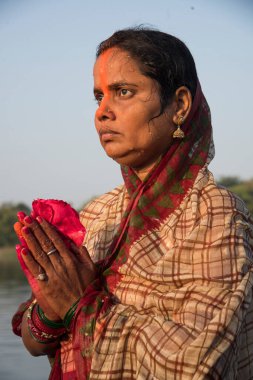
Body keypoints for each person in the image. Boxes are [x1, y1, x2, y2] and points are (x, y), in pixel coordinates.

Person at [12, 27, 253, 379]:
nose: (103, 112)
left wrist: (81, 306)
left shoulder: (215, 213)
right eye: (99, 97)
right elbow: (33, 341)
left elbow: (199, 365)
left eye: (124, 92)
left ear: (180, 106)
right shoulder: (99, 213)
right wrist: (52, 310)